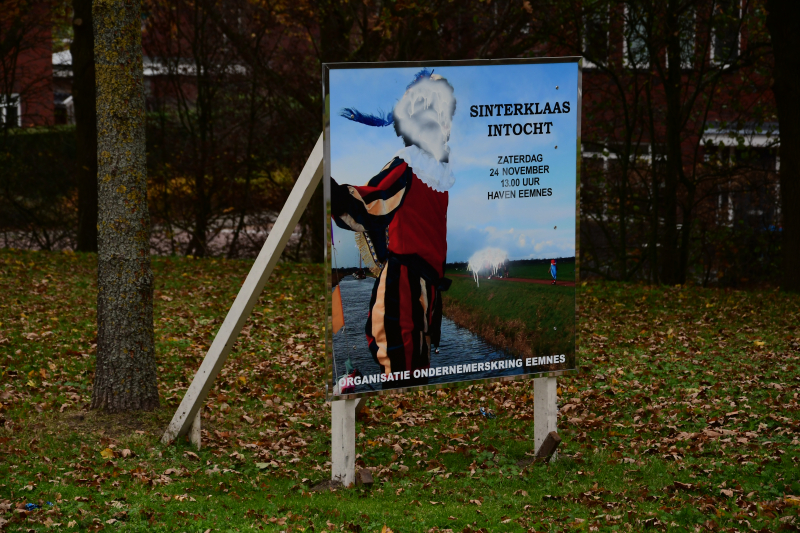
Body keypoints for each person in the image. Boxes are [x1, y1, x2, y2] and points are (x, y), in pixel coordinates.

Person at [331, 69, 455, 387]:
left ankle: (407, 423)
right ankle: (404, 423)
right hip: (414, 282)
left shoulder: (424, 169)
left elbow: (377, 206)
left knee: (410, 364)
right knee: (408, 365)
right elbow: (375, 206)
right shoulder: (423, 168)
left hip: (417, 284)